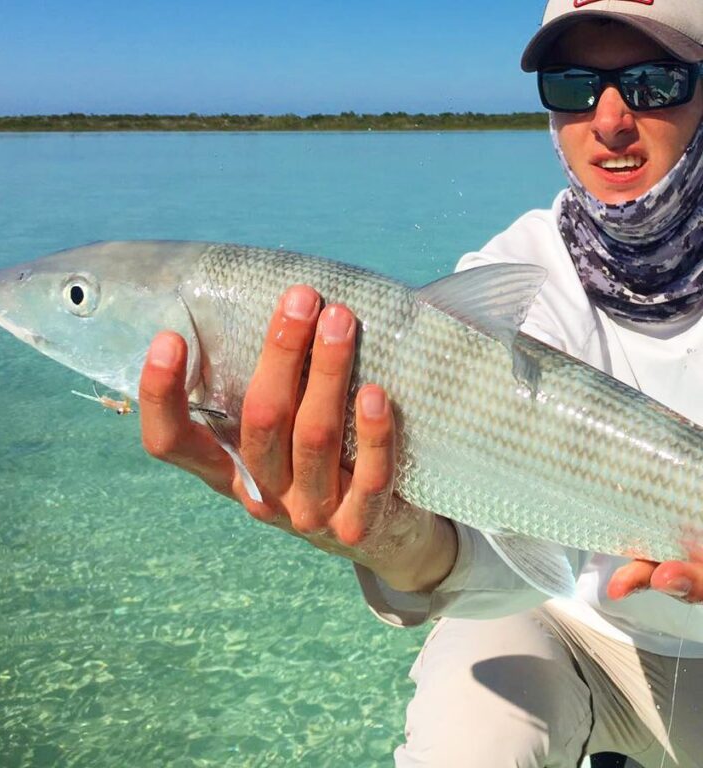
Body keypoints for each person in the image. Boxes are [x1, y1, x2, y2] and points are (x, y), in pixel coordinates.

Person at [138, 1, 703, 765]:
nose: (608, 119)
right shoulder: (510, 281)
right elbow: (493, 570)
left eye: (652, 81)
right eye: (574, 86)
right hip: (566, 627)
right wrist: (391, 541)